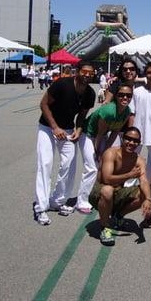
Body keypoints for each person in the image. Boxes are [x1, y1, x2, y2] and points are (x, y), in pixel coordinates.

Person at [33, 61, 96, 225]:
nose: (87, 75)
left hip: (67, 129)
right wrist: (54, 127)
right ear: (78, 72)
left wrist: (79, 128)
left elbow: (82, 114)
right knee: (45, 164)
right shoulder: (62, 84)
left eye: (91, 73)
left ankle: (57, 201)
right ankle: (41, 207)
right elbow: (43, 104)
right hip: (47, 127)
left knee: (69, 164)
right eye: (85, 71)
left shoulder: (90, 93)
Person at [89, 126, 151, 246]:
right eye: (128, 139)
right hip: (99, 192)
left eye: (135, 141)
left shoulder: (139, 160)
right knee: (108, 190)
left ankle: (119, 215)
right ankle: (105, 228)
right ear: (123, 139)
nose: (131, 143)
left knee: (145, 193)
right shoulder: (111, 153)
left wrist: (149, 199)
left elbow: (144, 181)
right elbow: (107, 179)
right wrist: (129, 175)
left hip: (118, 192)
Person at [75, 82, 134, 214]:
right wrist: (98, 152)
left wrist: (105, 151)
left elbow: (114, 133)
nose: (125, 98)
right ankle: (82, 201)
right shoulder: (108, 111)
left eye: (128, 95)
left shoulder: (127, 112)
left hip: (103, 136)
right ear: (116, 96)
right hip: (89, 135)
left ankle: (96, 194)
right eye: (121, 95)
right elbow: (99, 134)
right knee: (92, 167)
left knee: (105, 163)